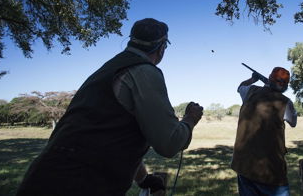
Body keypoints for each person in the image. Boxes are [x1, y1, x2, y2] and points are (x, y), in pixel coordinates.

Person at [16, 18, 204, 196]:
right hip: (82, 184)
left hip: (42, 177)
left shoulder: (107, 70)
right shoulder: (144, 71)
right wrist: (190, 119)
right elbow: (169, 144)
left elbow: (111, 134)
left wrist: (143, 178)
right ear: (162, 47)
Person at [231, 67, 297, 196]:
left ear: (270, 78)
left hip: (244, 165)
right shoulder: (285, 102)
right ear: (285, 86)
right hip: (270, 171)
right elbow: (293, 122)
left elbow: (240, 86)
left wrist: (253, 79)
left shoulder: (250, 91)